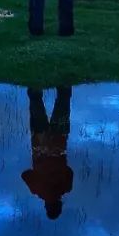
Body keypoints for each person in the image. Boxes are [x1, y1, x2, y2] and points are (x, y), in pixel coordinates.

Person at [21, 86, 74, 220]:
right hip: (40, 145)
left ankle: (64, 76)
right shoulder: (36, 189)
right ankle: (35, 79)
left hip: (58, 144)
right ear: (46, 206)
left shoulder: (66, 187)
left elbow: (69, 171)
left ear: (60, 205)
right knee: (35, 101)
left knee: (63, 100)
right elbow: (25, 174)